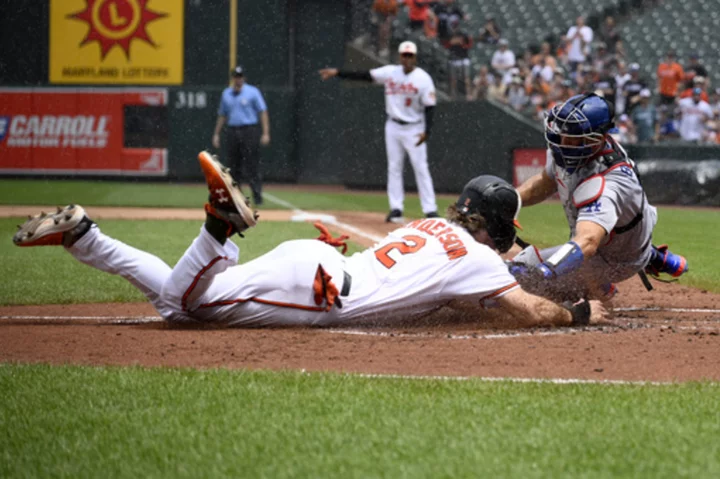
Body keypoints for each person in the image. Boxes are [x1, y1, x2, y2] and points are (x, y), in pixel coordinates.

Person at [12, 152, 608, 329]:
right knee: (190, 304)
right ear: (498, 229)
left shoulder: (426, 227)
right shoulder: (477, 259)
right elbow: (528, 310)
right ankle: (218, 228)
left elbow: (441, 291)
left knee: (176, 297)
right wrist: (579, 312)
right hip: (321, 292)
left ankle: (86, 237)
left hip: (315, 263)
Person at [510, 93, 688, 303]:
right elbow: (546, 181)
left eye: (574, 136)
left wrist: (545, 271)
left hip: (614, 259)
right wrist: (511, 200)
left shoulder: (608, 183)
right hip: (623, 235)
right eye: (563, 133)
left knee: (519, 274)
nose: (563, 141)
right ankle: (652, 257)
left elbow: (588, 241)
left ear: (598, 138)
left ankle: (596, 284)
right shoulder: (574, 150)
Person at [318, 41, 439, 223]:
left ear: (415, 57)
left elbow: (430, 107)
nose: (407, 58)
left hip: (415, 127)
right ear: (400, 56)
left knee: (421, 168)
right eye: (404, 55)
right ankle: (396, 207)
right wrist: (338, 72)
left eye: (410, 55)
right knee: (394, 167)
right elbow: (365, 75)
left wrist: (427, 131)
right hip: (393, 125)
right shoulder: (391, 72)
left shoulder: (423, 78)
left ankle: (430, 210)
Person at [212, 66, 270, 206]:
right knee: (233, 166)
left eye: (240, 76)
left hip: (249, 130)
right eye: (236, 76)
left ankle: (257, 198)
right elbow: (222, 115)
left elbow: (263, 112)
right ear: (233, 78)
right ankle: (236, 198)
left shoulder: (252, 92)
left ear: (244, 78)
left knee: (252, 165)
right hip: (233, 130)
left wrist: (266, 132)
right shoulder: (226, 93)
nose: (238, 79)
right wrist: (216, 133)